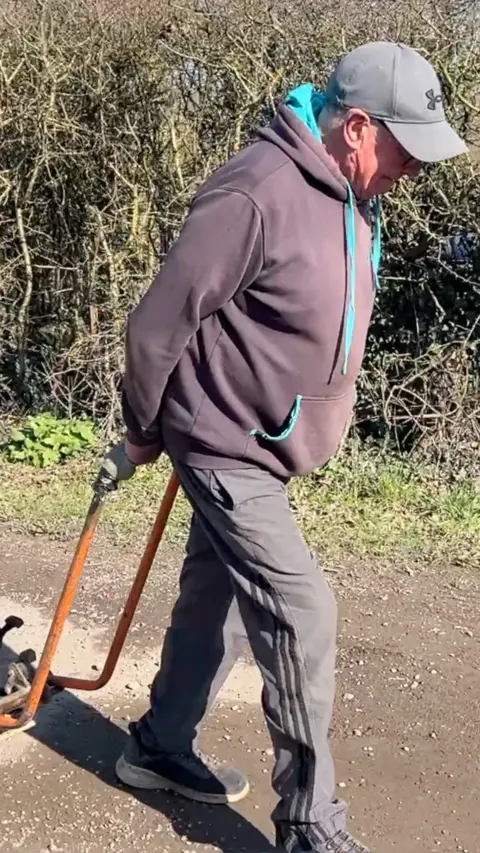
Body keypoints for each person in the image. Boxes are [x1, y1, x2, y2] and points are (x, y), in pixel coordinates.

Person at [104, 42, 466, 853]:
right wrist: (143, 428)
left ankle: (159, 744)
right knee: (301, 612)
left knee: (222, 597)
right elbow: (158, 324)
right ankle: (310, 825)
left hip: (267, 442)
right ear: (358, 127)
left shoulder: (352, 192)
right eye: (406, 148)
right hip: (223, 439)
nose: (414, 169)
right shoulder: (257, 191)